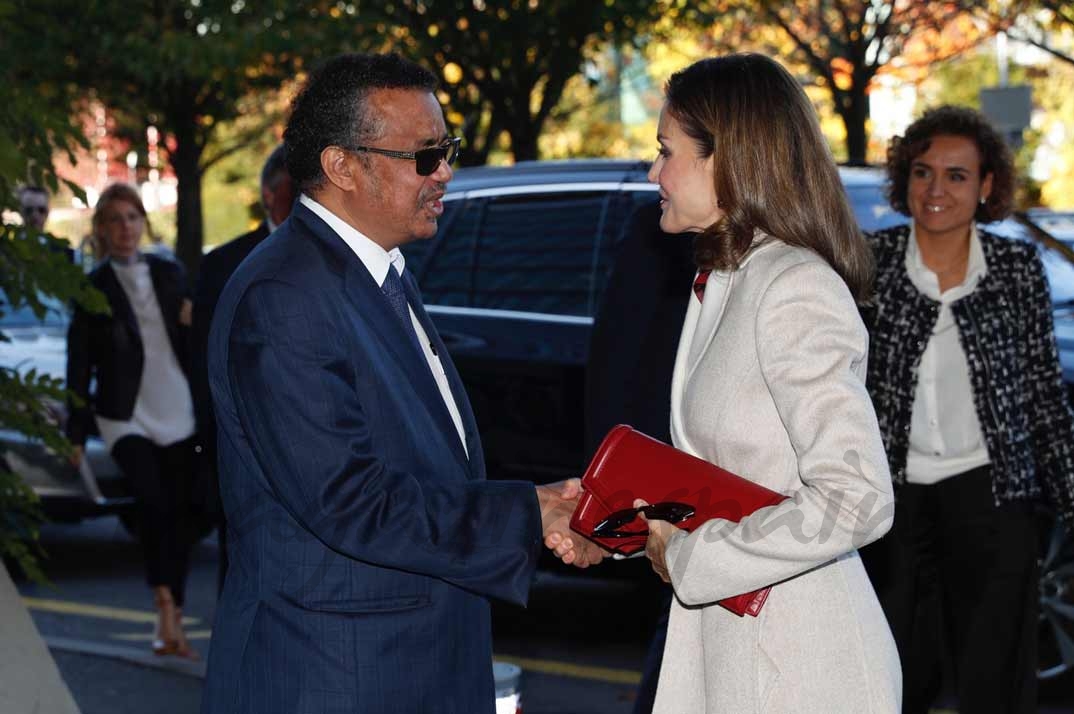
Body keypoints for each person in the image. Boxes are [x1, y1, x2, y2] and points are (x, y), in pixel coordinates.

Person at [199, 53, 602, 714]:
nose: (445, 172)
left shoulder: (375, 270)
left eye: (448, 149)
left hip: (398, 666)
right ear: (342, 166)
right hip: (335, 677)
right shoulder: (286, 297)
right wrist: (532, 511)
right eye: (424, 156)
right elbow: (352, 502)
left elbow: (427, 473)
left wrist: (542, 503)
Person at [558, 53, 902, 712]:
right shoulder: (723, 278)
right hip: (733, 645)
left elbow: (857, 498)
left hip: (800, 663)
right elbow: (722, 480)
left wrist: (693, 557)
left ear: (728, 159)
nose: (654, 171)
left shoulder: (794, 286)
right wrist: (623, 533)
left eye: (667, 152)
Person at [861, 105, 1074, 714]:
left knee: (996, 680)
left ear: (986, 188)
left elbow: (1042, 392)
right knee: (895, 673)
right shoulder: (869, 265)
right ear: (905, 179)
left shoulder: (1015, 268)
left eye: (957, 176)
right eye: (923, 172)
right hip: (891, 503)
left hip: (994, 496)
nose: (936, 189)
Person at [65, 183, 200, 658]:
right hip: (124, 414)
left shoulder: (170, 272)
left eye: (133, 217)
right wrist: (76, 432)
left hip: (177, 405)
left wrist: (192, 319)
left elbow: (193, 335)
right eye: (116, 219)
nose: (126, 228)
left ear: (143, 222)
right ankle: (163, 602)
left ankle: (174, 615)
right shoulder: (92, 288)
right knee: (154, 503)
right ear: (102, 229)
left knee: (181, 513)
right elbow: (78, 363)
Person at [584, 198, 694, 714]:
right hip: (678, 488)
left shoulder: (784, 241)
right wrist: (618, 489)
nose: (656, 172)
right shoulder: (662, 226)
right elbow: (619, 350)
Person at [190, 144, 295, 594]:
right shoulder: (224, 264)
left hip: (309, 437)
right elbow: (203, 359)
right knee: (242, 562)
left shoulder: (339, 259)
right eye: (297, 187)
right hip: (244, 439)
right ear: (270, 195)